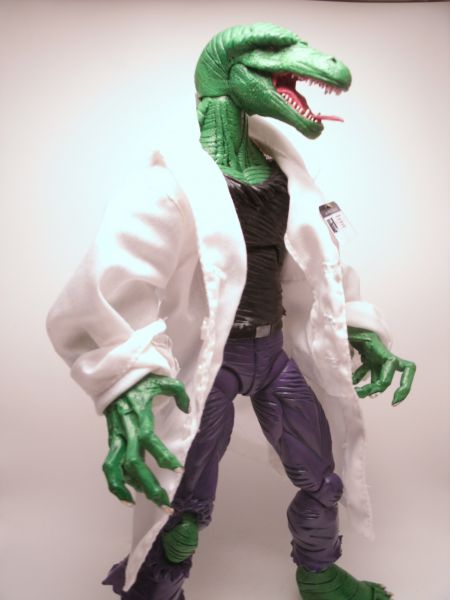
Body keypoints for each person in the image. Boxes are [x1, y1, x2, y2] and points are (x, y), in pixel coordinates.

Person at [47, 23, 415, 600]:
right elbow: (112, 279)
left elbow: (314, 266)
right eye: (273, 51)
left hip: (273, 355)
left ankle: (319, 575)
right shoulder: (169, 185)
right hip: (214, 361)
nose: (302, 61)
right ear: (226, 72)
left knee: (321, 478)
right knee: (183, 503)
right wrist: (126, 376)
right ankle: (156, 589)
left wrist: (355, 324)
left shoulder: (288, 178)